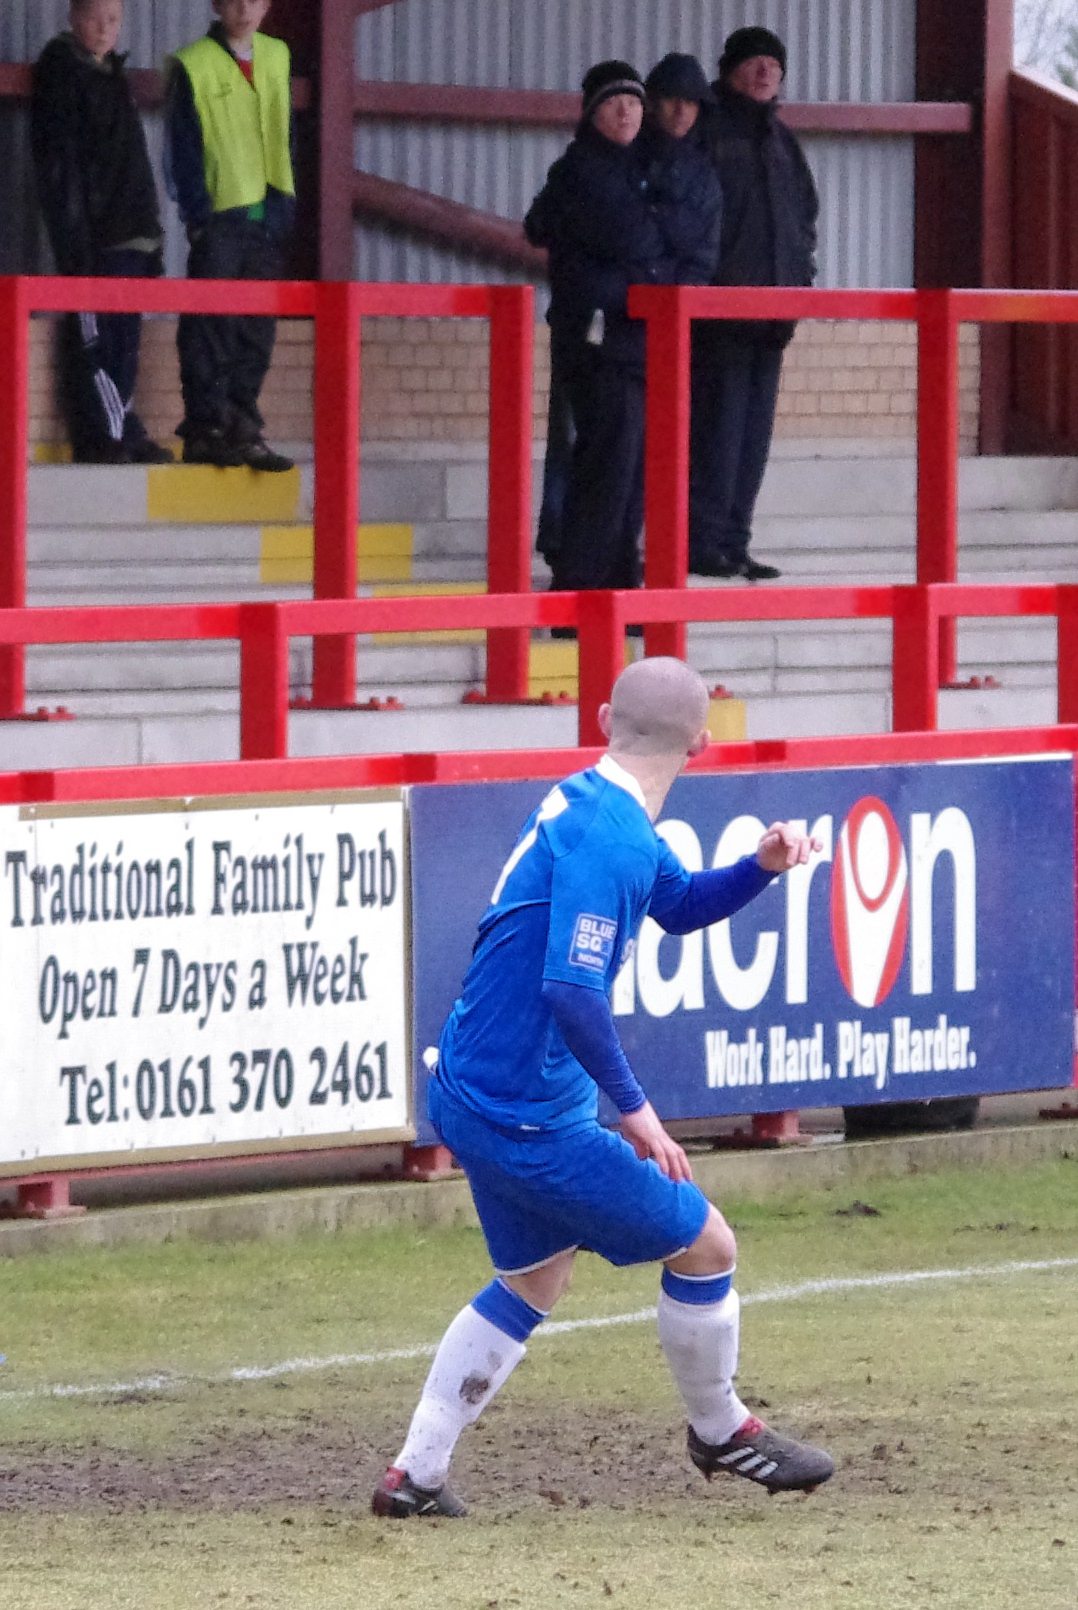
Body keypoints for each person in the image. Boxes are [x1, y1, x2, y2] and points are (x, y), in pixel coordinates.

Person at [374, 657, 835, 1516]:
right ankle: (720, 1429)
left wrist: (760, 866)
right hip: (523, 1113)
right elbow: (571, 989)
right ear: (704, 740)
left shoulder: (597, 808)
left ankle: (416, 1475)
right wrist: (639, 1116)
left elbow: (679, 903)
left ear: (600, 718)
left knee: (533, 1280)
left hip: (478, 1092)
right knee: (708, 1248)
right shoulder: (612, 838)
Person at [527, 63, 677, 593]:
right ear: (592, 113)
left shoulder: (640, 168)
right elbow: (638, 244)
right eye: (614, 102)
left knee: (629, 471)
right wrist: (656, 264)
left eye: (634, 102)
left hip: (630, 341)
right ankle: (581, 593)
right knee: (606, 468)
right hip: (600, 345)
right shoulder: (585, 173)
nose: (626, 110)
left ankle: (615, 585)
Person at [688, 26, 816, 582]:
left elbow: (804, 222)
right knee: (716, 435)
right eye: (754, 62)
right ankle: (702, 543)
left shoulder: (784, 143)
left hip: (772, 320)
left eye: (773, 63)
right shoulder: (707, 133)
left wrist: (800, 279)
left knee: (753, 440)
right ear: (729, 69)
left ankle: (735, 543)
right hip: (718, 319)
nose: (765, 71)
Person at [30, 0, 171, 465]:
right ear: (73, 17)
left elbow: (134, 165)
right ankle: (105, 437)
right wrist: (74, 245)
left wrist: (151, 234)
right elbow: (60, 168)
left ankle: (122, 428)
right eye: (94, 18)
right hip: (97, 237)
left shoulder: (113, 77)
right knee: (97, 341)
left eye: (113, 20)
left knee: (126, 342)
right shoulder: (62, 73)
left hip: (133, 233)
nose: (104, 29)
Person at [163, 0, 296, 473]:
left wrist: (283, 207)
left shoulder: (277, 56)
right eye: (234, 0)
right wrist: (198, 218)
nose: (244, 8)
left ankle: (243, 423)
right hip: (221, 217)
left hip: (266, 215)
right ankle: (205, 427)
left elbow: (284, 133)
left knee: (256, 329)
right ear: (217, 5)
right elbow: (182, 148)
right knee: (210, 326)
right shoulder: (195, 64)